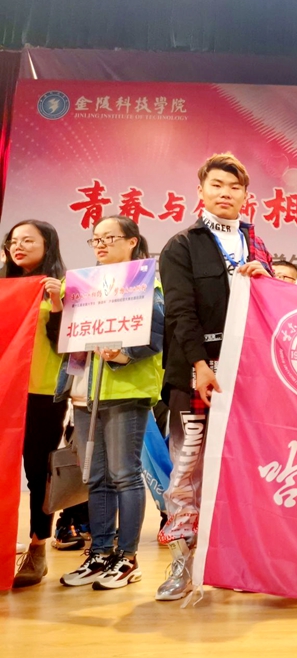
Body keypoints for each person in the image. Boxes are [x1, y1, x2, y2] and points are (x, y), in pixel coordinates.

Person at [156, 153, 273, 601]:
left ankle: (233, 560)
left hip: (249, 373)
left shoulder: (256, 245)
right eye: (217, 185)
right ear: (201, 191)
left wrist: (266, 280)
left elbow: (273, 305)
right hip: (197, 375)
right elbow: (179, 312)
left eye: (234, 187)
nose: (226, 193)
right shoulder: (181, 245)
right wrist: (200, 365)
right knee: (188, 469)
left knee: (242, 465)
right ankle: (182, 563)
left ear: (246, 196)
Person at [55, 216, 165, 589]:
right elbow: (68, 332)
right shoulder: (84, 284)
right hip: (86, 390)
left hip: (125, 390)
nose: (100, 244)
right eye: (95, 239)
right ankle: (100, 553)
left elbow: (156, 333)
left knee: (124, 474)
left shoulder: (146, 281)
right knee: (97, 477)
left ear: (132, 241)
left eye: (109, 237)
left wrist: (124, 354)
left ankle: (127, 558)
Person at [5, 220, 70, 587]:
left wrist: (57, 303)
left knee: (37, 472)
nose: (19, 246)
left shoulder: (62, 287)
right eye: (14, 241)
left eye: (28, 240)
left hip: (42, 393)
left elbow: (66, 345)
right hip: (4, 390)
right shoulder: (3, 287)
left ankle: (37, 547)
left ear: (48, 245)